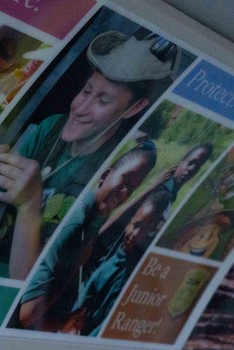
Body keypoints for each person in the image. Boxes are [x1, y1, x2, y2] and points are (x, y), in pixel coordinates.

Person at [0, 30, 179, 279]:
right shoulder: (49, 129)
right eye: (87, 91)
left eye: (103, 100)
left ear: (134, 108)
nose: (80, 108)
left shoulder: (111, 173)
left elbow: (27, 288)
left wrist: (30, 204)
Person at [17, 141, 158, 330]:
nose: (125, 193)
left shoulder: (91, 218)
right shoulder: (75, 224)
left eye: (132, 188)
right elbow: (27, 315)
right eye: (125, 179)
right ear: (105, 175)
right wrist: (66, 323)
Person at [58, 189, 173, 336]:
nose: (136, 234)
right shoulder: (115, 257)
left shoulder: (133, 275)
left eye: (147, 232)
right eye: (136, 225)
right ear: (130, 221)